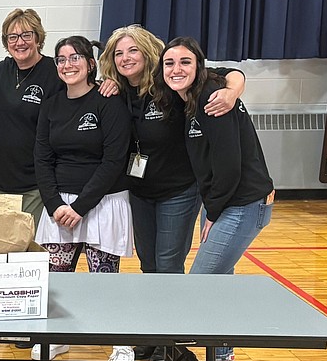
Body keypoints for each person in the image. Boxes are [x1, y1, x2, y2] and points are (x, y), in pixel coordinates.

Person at [155, 36, 275, 361]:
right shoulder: (195, 98)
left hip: (242, 203)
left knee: (202, 285)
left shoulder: (213, 99)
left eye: (185, 62)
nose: (176, 69)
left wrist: (214, 211)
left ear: (199, 66)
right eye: (169, 63)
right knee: (220, 286)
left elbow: (228, 165)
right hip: (227, 203)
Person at [99, 25, 246, 279]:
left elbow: (227, 74)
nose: (126, 58)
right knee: (148, 264)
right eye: (119, 53)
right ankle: (154, 316)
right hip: (140, 191)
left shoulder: (170, 84)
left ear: (147, 53)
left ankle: (172, 317)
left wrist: (232, 92)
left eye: (133, 50)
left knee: (168, 265)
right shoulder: (116, 92)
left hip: (178, 190)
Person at [33, 36, 134, 361]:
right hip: (61, 204)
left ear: (90, 63)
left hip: (102, 203)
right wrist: (55, 204)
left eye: (74, 57)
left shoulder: (109, 101)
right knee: (57, 279)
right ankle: (58, 336)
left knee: (103, 280)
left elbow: (114, 159)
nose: (67, 65)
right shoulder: (51, 104)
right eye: (60, 60)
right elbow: (42, 158)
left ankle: (120, 344)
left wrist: (82, 207)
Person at [0, 9, 60, 229]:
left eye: (26, 35)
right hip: (1, 181)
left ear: (38, 38)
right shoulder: (0, 71)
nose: (20, 42)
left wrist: (107, 83)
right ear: (6, 42)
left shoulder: (54, 73)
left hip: (36, 183)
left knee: (28, 254)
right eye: (13, 37)